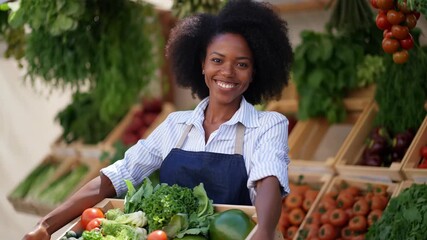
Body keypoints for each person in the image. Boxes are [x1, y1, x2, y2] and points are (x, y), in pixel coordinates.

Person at [23, 0, 293, 239]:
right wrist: (46, 226)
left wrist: (265, 231)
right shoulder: (176, 125)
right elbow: (119, 175)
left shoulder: (268, 124)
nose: (227, 72)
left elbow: (267, 177)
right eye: (217, 60)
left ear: (255, 71)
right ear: (202, 64)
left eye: (242, 64)